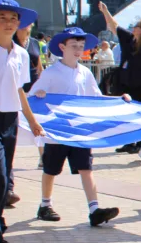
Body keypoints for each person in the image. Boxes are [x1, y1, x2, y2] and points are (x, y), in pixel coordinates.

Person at [31, 27, 123, 228]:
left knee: (86, 168)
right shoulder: (51, 72)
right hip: (57, 131)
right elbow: (33, 95)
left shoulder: (86, 73)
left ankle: (94, 209)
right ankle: (45, 205)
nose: (78, 50)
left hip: (80, 130)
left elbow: (96, 98)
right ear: (62, 47)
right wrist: (39, 94)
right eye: (74, 46)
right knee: (51, 169)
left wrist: (119, 100)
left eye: (81, 47)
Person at [0, 0, 45, 243]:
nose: (8, 22)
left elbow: (19, 90)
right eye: (1, 17)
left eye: (13, 18)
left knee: (3, 180)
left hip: (9, 119)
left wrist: (32, 120)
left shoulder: (21, 54)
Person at [98, 2, 141, 159]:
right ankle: (129, 142)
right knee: (126, 113)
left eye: (137, 26)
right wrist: (106, 11)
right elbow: (114, 25)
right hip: (125, 83)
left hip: (140, 85)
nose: (134, 28)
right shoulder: (129, 40)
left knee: (139, 114)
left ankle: (139, 144)